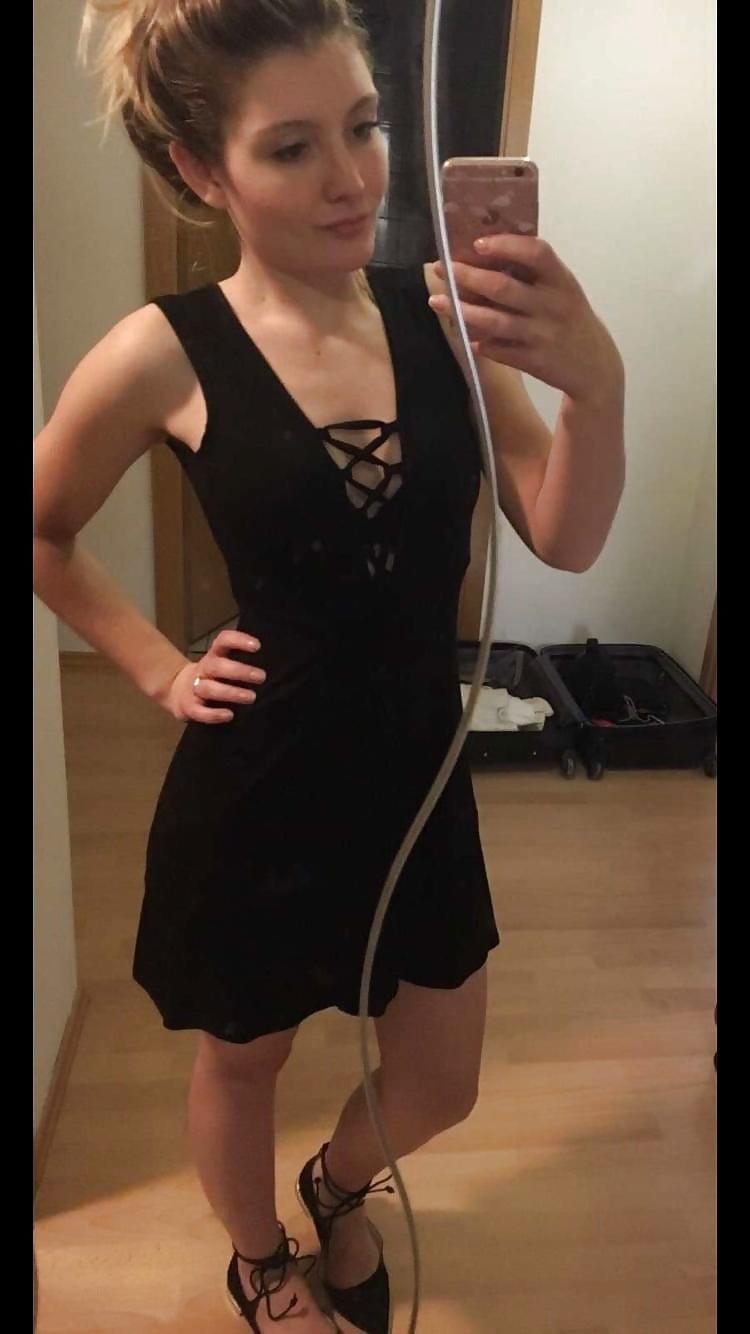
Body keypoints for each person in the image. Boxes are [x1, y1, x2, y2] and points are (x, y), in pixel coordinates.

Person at [33, 2, 626, 1330]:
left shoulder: (442, 319)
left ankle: (337, 1180)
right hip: (262, 774)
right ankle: (258, 1261)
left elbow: (565, 532)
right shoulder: (162, 350)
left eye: (363, 127)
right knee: (242, 1060)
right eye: (291, 147)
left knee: (443, 1078)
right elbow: (42, 528)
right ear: (203, 171)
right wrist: (156, 668)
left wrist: (598, 386)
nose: (351, 177)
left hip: (419, 766)